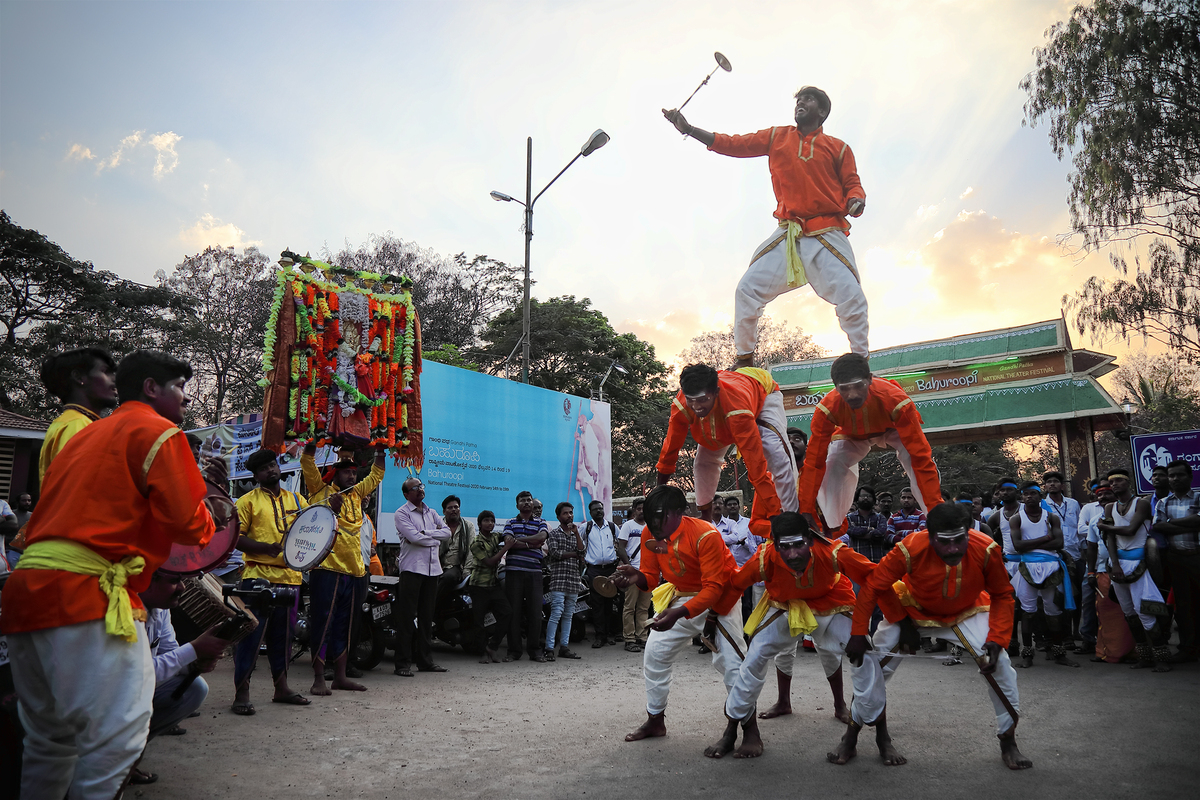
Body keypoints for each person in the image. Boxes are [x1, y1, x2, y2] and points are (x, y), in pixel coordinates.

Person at [1, 349, 216, 799]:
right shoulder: (157, 430)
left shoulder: (80, 436)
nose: (185, 400)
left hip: (27, 593)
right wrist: (209, 511)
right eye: (179, 387)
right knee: (117, 736)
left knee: (50, 741)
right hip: (84, 592)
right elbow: (189, 525)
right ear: (151, 388)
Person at [663, 87, 868, 364]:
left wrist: (856, 200)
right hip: (789, 233)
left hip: (827, 233)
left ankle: (861, 362)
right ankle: (745, 360)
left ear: (822, 111)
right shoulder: (777, 137)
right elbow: (734, 144)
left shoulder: (839, 148)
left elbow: (852, 184)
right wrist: (689, 129)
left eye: (807, 100)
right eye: (798, 101)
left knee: (852, 296)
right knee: (746, 290)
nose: (800, 104)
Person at [839, 502, 1030, 770]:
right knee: (869, 670)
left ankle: (1008, 740)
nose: (953, 549)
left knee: (1002, 668)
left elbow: (1002, 595)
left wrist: (998, 639)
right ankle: (855, 735)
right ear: (929, 536)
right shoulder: (909, 548)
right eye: (944, 542)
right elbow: (873, 587)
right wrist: (861, 633)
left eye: (959, 540)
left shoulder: (986, 548)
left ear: (968, 532)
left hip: (967, 611)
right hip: (912, 612)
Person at [710, 512, 878, 760]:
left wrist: (861, 629)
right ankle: (734, 725)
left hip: (832, 605)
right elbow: (736, 584)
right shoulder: (764, 557)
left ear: (810, 539)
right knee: (754, 656)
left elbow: (875, 578)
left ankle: (859, 729)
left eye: (799, 545)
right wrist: (713, 616)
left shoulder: (833, 551)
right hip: (784, 606)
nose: (792, 555)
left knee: (867, 656)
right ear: (773, 544)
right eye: (784, 547)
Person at [612, 485, 742, 744]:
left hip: (721, 598)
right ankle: (655, 721)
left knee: (732, 663)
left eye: (660, 517)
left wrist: (678, 613)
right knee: (655, 653)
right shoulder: (651, 531)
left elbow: (714, 588)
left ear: (680, 512)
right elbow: (650, 578)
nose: (654, 524)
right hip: (681, 596)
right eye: (650, 517)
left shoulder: (706, 534)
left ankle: (748, 730)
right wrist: (635, 577)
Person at [799, 354, 942, 534]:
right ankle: (831, 528)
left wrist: (936, 507)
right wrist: (805, 509)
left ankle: (936, 517)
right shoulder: (826, 410)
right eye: (844, 389)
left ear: (870, 379)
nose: (852, 394)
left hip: (891, 429)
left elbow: (921, 457)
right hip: (851, 434)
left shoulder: (897, 401)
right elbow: (814, 462)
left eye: (859, 386)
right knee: (832, 460)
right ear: (835, 387)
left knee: (912, 455)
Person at [657, 364, 797, 537]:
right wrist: (658, 492)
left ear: (715, 392)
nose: (696, 406)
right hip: (729, 397)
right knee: (702, 462)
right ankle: (706, 517)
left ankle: (792, 516)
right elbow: (670, 448)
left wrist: (775, 516)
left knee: (777, 457)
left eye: (701, 399)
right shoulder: (682, 404)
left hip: (763, 392)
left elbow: (756, 467)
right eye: (691, 400)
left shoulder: (738, 412)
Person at [300, 443, 385, 695]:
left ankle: (340, 676)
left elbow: (377, 474)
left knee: (347, 627)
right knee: (323, 624)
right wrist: (313, 443)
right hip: (327, 569)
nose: (352, 475)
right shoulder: (320, 490)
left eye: (354, 472)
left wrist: (381, 451)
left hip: (356, 571)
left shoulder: (357, 494)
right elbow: (307, 463)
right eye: (346, 472)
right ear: (335, 473)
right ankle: (318, 679)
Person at [130, 570, 227, 785]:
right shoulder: (124, 609)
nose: (182, 588)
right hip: (112, 698)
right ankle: (119, 759)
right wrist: (194, 650)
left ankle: (130, 757)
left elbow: (169, 653)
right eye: (174, 581)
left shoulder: (161, 610)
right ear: (147, 581)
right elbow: (136, 675)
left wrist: (194, 664)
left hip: (134, 691)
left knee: (195, 688)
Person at [232, 448, 309, 714]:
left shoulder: (298, 500)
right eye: (264, 468)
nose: (271, 470)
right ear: (255, 475)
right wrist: (265, 548)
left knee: (284, 638)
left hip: (291, 578)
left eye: (272, 465)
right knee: (250, 637)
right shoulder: (246, 502)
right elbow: (234, 538)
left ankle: (281, 688)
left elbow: (313, 530)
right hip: (257, 578)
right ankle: (241, 692)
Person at [1097, 468, 1171, 671]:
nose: (1114, 484)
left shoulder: (1142, 504)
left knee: (1145, 612)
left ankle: (1162, 658)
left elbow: (1131, 531)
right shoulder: (1110, 507)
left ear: (1128, 483)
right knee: (1129, 613)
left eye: (1119, 480)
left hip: (1140, 563)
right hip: (1118, 565)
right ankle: (1145, 656)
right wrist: (1115, 564)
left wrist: (1105, 527)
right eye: (1112, 482)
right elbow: (1110, 539)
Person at [1007, 482, 1078, 668]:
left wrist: (1034, 543)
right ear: (1022, 498)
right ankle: (1027, 655)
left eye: (1033, 493)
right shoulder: (1017, 519)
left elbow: (1059, 544)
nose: (1029, 497)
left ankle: (1059, 652)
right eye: (1026, 494)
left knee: (1054, 611)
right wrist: (1046, 538)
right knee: (1028, 612)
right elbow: (1018, 546)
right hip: (1028, 568)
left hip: (1051, 567)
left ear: (1040, 496)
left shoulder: (1052, 517)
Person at [393, 477, 452, 676]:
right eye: (415, 488)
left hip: (433, 570)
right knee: (407, 617)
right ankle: (402, 664)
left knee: (427, 618)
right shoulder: (401, 513)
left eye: (421, 486)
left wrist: (427, 533)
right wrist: (433, 539)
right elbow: (413, 538)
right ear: (406, 494)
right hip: (412, 570)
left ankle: (425, 661)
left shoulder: (431, 512)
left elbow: (447, 534)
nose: (420, 490)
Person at [36, 347, 119, 484]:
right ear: (79, 377)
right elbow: (77, 488)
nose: (114, 381)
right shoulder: (78, 426)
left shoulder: (72, 422)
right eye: (105, 372)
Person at [1152, 459, 1200, 663]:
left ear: (1189, 476)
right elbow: (1158, 527)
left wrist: (1170, 523)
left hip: (1198, 556)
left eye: (1179, 475)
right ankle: (1188, 648)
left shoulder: (1199, 497)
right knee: (1183, 605)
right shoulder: (1164, 503)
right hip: (1176, 558)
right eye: (1172, 476)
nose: (1175, 479)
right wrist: (1192, 524)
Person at [1085, 479, 1135, 663]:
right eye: (1100, 494)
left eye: (1108, 493)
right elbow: (1091, 547)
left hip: (1131, 568)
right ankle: (1107, 652)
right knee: (1106, 612)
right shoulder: (1093, 520)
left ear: (1115, 495)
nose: (1104, 496)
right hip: (1102, 572)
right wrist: (1090, 573)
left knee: (1129, 611)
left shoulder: (1128, 515)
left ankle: (1134, 651)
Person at [503, 490, 548, 662]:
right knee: (513, 612)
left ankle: (535, 650)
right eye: (523, 500)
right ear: (517, 505)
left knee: (535, 613)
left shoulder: (541, 522)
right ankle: (514, 651)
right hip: (514, 572)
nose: (527, 503)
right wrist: (532, 543)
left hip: (534, 573)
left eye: (529, 500)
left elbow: (542, 537)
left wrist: (519, 542)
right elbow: (508, 541)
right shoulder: (510, 522)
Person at [468, 511, 514, 664]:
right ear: (479, 524)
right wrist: (506, 547)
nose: (490, 523)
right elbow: (490, 562)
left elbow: (507, 534)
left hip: (493, 585)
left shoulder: (495, 537)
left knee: (507, 612)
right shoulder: (476, 543)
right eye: (486, 521)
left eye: (492, 521)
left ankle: (492, 647)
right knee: (479, 622)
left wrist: (507, 537)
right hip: (478, 586)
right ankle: (482, 652)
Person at [1043, 471, 1083, 647]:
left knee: (1079, 594)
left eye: (1055, 481)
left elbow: (1080, 530)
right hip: (1056, 556)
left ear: (1062, 485)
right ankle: (1063, 636)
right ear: (1045, 486)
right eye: (1049, 482)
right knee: (1060, 596)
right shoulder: (1043, 505)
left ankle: (1076, 632)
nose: (1052, 484)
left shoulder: (1073, 504)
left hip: (1076, 554)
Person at [546, 502, 587, 661]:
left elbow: (582, 551)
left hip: (573, 580)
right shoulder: (554, 534)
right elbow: (555, 553)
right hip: (558, 579)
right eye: (565, 513)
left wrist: (576, 534)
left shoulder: (576, 533)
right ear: (558, 516)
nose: (569, 515)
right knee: (556, 613)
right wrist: (574, 554)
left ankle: (564, 647)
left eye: (571, 512)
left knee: (569, 614)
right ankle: (549, 648)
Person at [582, 499, 624, 648]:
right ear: (590, 512)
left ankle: (609, 635)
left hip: (611, 570)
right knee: (597, 603)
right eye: (595, 509)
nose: (599, 511)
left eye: (600, 508)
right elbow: (579, 545)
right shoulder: (585, 528)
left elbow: (621, 545)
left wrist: (622, 563)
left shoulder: (612, 527)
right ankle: (600, 636)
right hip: (594, 570)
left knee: (610, 602)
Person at [617, 498, 651, 652]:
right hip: (633, 572)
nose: (642, 511)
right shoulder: (628, 526)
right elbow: (621, 547)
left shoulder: (651, 527)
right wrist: (628, 566)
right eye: (639, 508)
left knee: (644, 607)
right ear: (634, 510)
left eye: (644, 508)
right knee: (629, 607)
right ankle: (629, 638)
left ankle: (642, 637)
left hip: (647, 573)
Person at [1075, 478, 1105, 656]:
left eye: (1106, 489)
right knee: (1087, 600)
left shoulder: (1121, 508)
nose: (1102, 493)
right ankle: (1088, 639)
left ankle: (1110, 641)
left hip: (1116, 563)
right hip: (1092, 561)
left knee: (1110, 603)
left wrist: (1094, 527)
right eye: (1098, 490)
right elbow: (1081, 529)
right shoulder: (1089, 509)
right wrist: (1097, 526)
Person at [438, 494, 475, 606]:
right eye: (450, 508)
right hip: (437, 565)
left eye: (456, 507)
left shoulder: (468, 526)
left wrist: (466, 571)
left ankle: (427, 610)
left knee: (449, 577)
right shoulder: (438, 525)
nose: (454, 510)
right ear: (444, 511)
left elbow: (471, 549)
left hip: (456, 567)